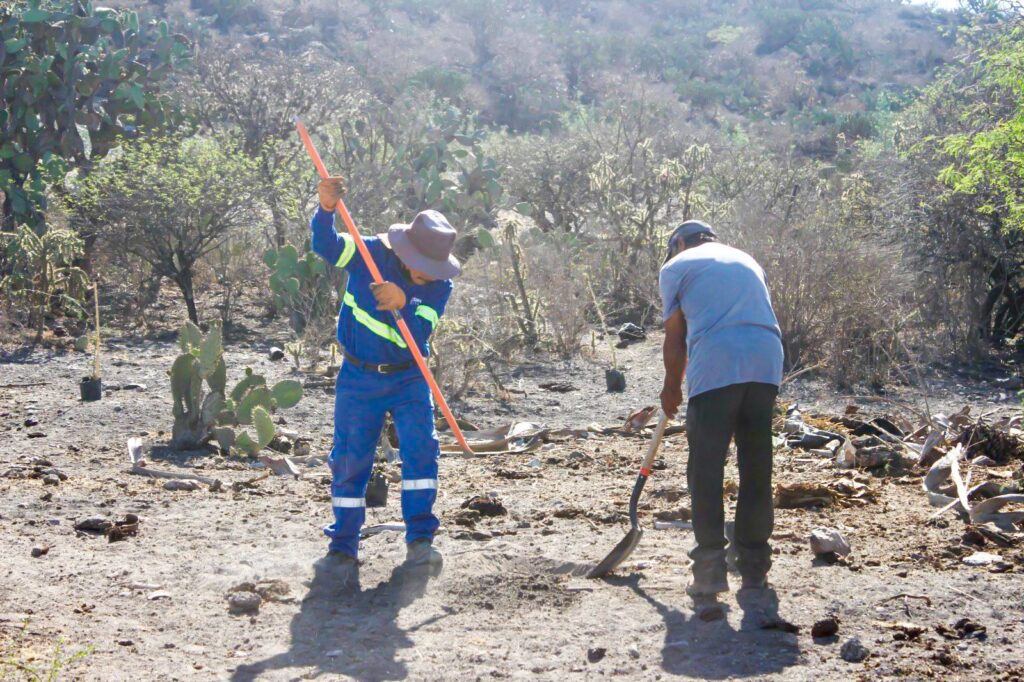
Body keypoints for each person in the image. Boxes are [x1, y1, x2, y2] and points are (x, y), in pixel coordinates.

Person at [311, 176, 460, 582]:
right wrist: (325, 210)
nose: (429, 276)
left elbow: (418, 335)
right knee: (350, 459)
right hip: (358, 377)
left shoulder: (439, 287)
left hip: (410, 377)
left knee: (421, 451)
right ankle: (342, 547)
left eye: (435, 270)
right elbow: (325, 246)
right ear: (407, 253)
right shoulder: (369, 253)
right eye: (423, 269)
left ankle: (421, 542)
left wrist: (404, 303)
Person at [658, 220, 784, 611]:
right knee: (756, 464)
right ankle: (754, 567)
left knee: (706, 468)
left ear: (678, 243)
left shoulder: (675, 267)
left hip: (716, 363)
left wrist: (671, 388)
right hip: (766, 361)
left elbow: (675, 337)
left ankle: (709, 570)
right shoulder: (747, 259)